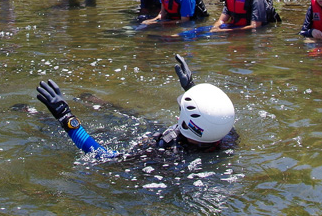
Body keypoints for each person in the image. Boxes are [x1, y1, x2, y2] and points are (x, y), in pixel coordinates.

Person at [33, 55, 235, 159]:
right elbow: (212, 115)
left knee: (117, 127)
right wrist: (191, 89)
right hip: (165, 138)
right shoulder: (225, 135)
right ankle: (104, 106)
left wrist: (66, 118)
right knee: (136, 119)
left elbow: (105, 158)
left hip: (144, 152)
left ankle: (40, 118)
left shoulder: (165, 157)